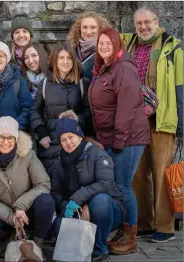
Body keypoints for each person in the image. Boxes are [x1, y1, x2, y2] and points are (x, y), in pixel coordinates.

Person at [122, 6, 183, 243]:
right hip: (135, 119)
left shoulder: (172, 48)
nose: (144, 27)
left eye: (148, 22)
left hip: (162, 120)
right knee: (137, 173)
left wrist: (181, 124)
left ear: (157, 22)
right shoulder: (129, 45)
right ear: (134, 25)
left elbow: (181, 87)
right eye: (139, 23)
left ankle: (165, 226)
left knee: (161, 173)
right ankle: (145, 222)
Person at [88, 27, 150, 254]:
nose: (104, 46)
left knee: (123, 185)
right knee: (118, 185)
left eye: (108, 43)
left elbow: (127, 107)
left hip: (129, 137)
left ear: (118, 45)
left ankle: (130, 237)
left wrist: (120, 140)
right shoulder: (104, 68)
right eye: (100, 43)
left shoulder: (123, 68)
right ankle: (122, 230)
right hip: (113, 137)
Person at [0, 116, 53, 257]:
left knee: (46, 201)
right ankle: (12, 238)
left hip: (27, 210)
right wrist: (11, 217)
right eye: (1, 138)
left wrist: (20, 206)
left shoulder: (28, 155)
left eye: (10, 138)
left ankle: (37, 243)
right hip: (4, 213)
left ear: (16, 139)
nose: (5, 142)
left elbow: (43, 184)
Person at [51, 110, 126, 262]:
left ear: (79, 136)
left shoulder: (96, 153)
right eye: (63, 139)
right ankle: (81, 247)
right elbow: (55, 191)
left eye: (71, 137)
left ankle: (100, 248)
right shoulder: (59, 162)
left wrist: (79, 199)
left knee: (100, 201)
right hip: (76, 209)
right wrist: (67, 205)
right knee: (58, 225)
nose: (68, 142)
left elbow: (106, 183)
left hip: (108, 209)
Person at [30, 43, 90, 175]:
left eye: (69, 58)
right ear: (54, 61)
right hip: (51, 143)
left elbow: (89, 112)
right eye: (61, 58)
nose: (65, 61)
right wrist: (41, 132)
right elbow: (35, 110)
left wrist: (75, 121)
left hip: (74, 142)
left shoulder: (82, 83)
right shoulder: (45, 84)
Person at [67, 11, 111, 81]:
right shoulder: (71, 49)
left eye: (93, 27)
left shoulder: (107, 51)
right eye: (85, 27)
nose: (88, 31)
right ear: (79, 29)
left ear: (100, 29)